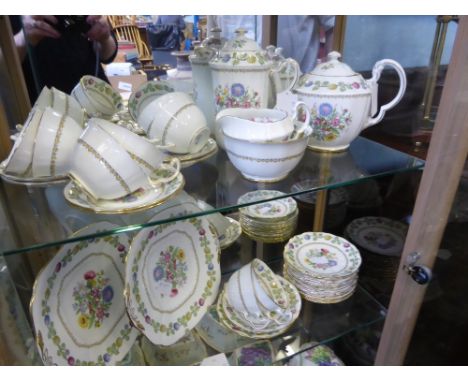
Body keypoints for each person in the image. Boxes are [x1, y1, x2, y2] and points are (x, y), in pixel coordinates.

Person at [12, 15, 117, 102]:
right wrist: (22, 39)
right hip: (43, 111)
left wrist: (105, 37)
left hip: (96, 101)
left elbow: (108, 55)